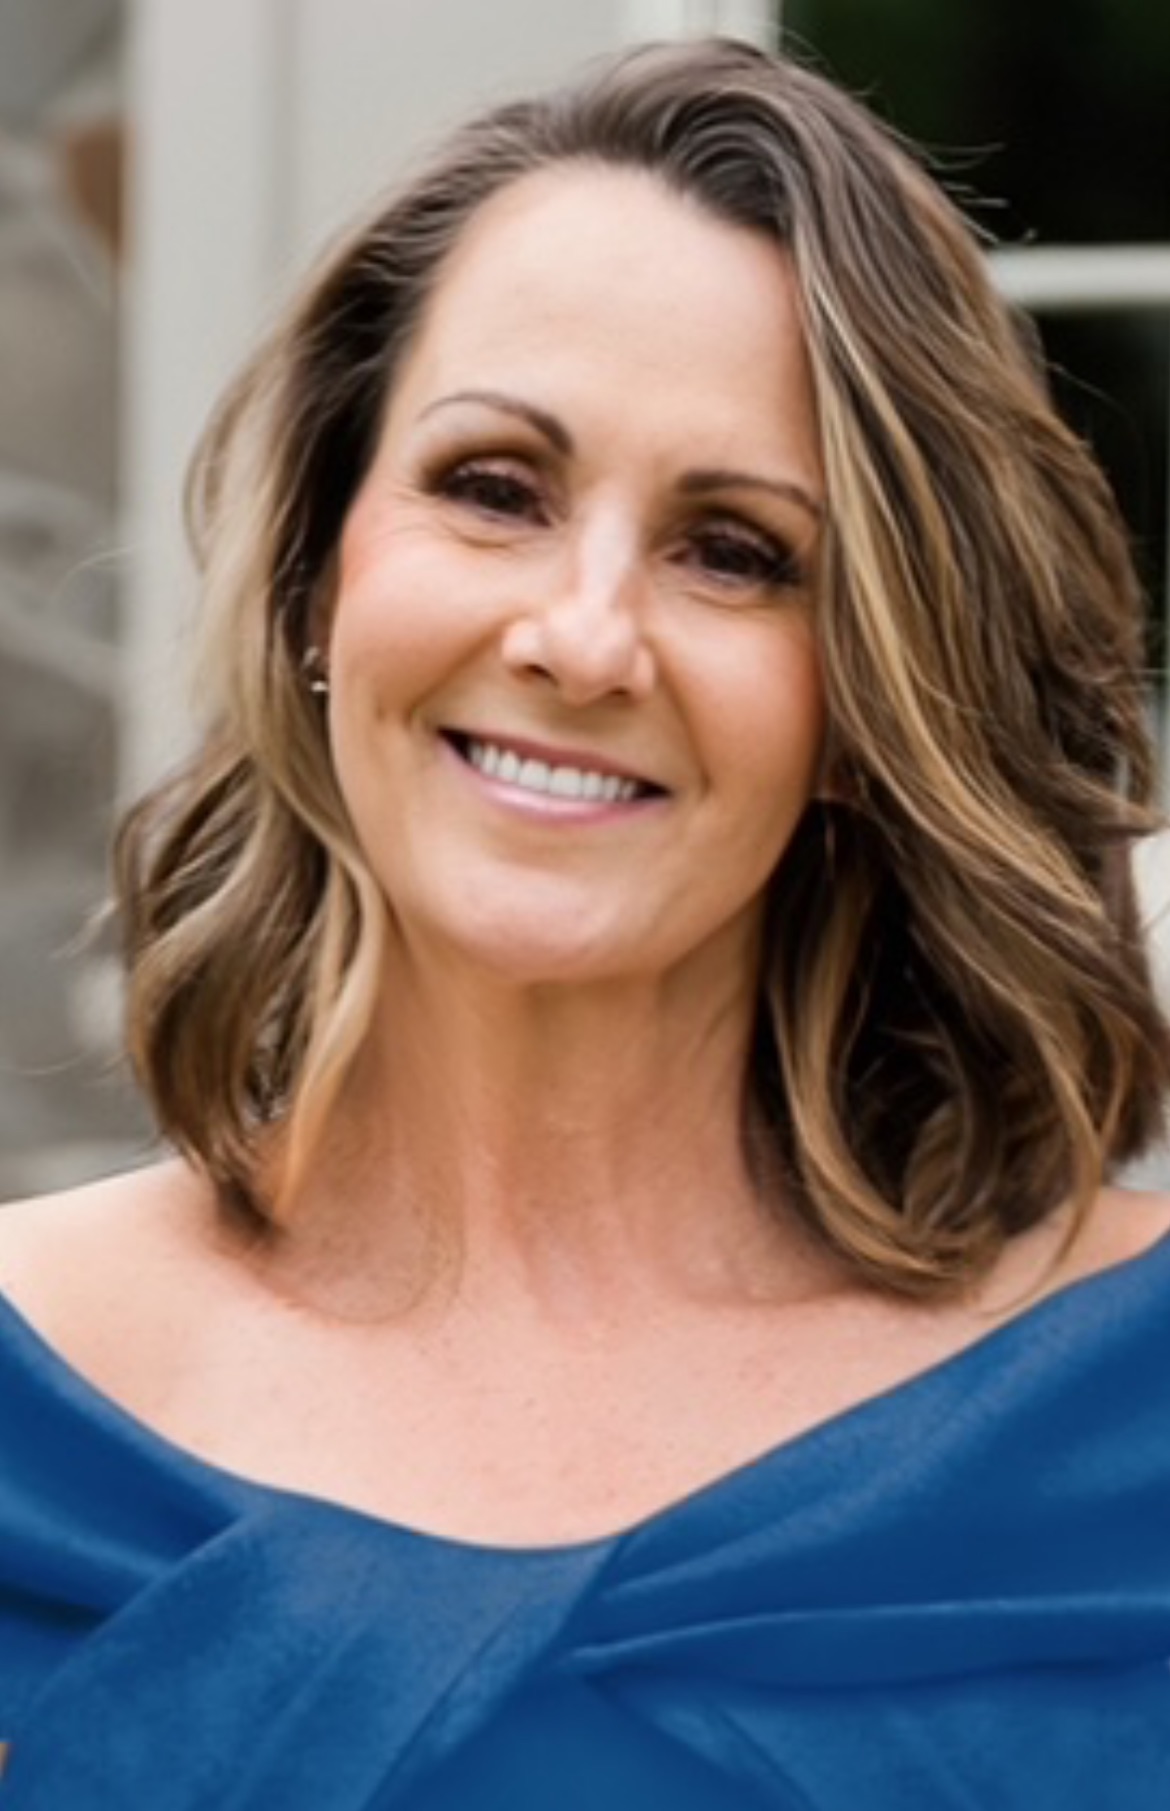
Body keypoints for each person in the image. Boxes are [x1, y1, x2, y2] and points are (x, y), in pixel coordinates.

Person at [0, 32, 1168, 1807]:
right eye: (493, 490)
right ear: (317, 573)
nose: (581, 638)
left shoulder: (1127, 1420)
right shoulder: (29, 1406)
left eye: (735, 551)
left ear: (868, 710)